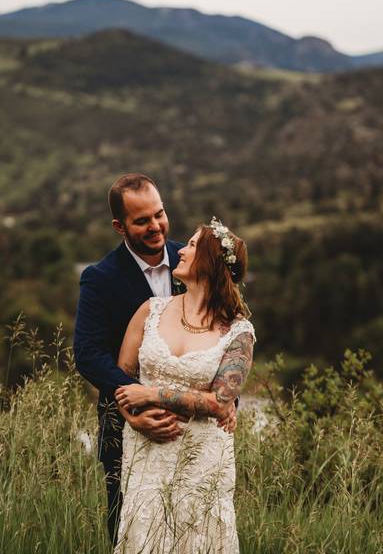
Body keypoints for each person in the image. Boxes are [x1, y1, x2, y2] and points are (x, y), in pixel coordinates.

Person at [74, 174, 238, 543]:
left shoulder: (193, 261)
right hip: (127, 425)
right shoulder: (100, 279)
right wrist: (136, 403)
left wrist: (228, 398)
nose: (156, 226)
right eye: (142, 220)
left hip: (198, 433)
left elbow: (227, 336)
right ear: (120, 226)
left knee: (198, 533)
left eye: (159, 214)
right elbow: (88, 355)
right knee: (132, 533)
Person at [112, 217, 255, 554]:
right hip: (147, 449)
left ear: (209, 262)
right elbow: (122, 377)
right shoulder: (151, 311)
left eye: (191, 245)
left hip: (202, 459)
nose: (181, 250)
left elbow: (220, 403)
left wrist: (153, 394)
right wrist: (133, 417)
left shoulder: (238, 333)